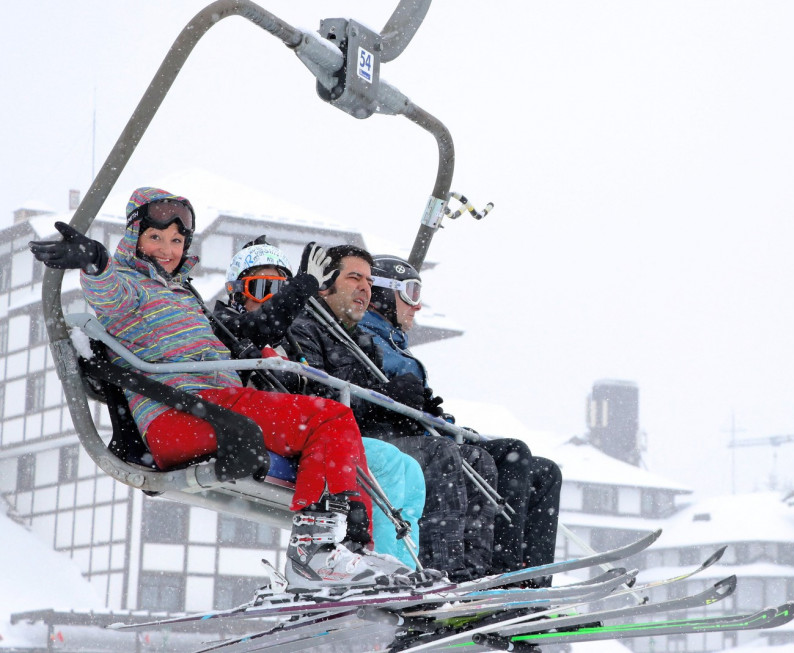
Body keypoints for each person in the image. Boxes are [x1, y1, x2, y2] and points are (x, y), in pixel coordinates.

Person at [29, 188, 411, 591]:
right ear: (134, 237)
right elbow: (107, 292)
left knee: (344, 441)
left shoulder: (179, 293)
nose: (166, 249)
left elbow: (245, 333)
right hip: (185, 413)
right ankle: (315, 552)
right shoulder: (130, 287)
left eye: (177, 241)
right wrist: (95, 260)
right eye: (155, 238)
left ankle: (351, 551)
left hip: (212, 406)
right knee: (331, 415)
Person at [285, 245, 498, 582]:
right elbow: (316, 397)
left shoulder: (360, 342)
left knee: (481, 461)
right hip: (346, 438)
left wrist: (418, 410)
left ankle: (480, 575)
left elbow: (373, 401)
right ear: (326, 283)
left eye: (368, 281)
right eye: (354, 277)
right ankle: (445, 573)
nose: (363, 288)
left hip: (371, 434)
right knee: (436, 456)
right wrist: (387, 400)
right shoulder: (307, 328)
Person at [214, 236, 427, 571]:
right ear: (237, 291)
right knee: (382, 459)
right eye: (262, 288)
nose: (273, 299)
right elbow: (301, 383)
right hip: (277, 427)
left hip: (306, 426)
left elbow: (316, 386)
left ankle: (404, 570)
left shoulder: (291, 339)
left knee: (410, 469)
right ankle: (354, 554)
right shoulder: (229, 328)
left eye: (281, 289)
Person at [362, 256, 562, 584]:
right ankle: (498, 575)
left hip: (423, 435)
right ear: (384, 293)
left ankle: (531, 583)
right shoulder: (360, 337)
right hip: (390, 443)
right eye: (411, 293)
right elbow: (359, 395)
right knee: (486, 456)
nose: (418, 305)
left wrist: (435, 416)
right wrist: (391, 399)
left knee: (538, 469)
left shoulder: (395, 344)